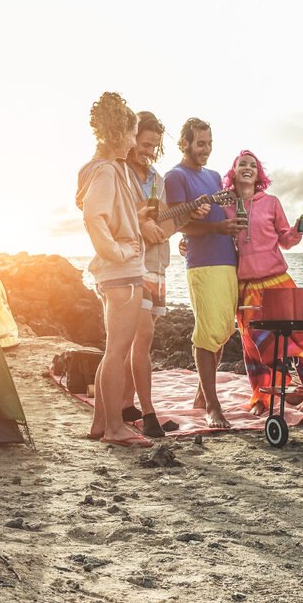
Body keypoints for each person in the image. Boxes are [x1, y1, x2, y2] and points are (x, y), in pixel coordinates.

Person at [120, 111, 209, 437]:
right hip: (131, 265)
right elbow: (117, 217)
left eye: (155, 146)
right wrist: (142, 226)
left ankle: (127, 405)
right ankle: (149, 414)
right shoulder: (121, 173)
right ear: (132, 140)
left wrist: (187, 215)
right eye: (145, 144)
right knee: (140, 338)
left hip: (158, 267)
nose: (149, 151)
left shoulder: (157, 178)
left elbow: (168, 225)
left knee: (142, 339)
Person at [223, 150, 303, 418]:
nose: (247, 167)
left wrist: (297, 230)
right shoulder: (224, 205)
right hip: (246, 288)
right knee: (257, 348)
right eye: (242, 164)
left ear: (259, 175)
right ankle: (263, 398)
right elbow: (213, 240)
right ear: (233, 172)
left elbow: (286, 240)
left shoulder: (271, 202)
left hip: (278, 282)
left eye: (253, 165)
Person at [75, 91, 151, 447]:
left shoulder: (99, 169)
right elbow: (94, 218)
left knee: (113, 349)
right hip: (120, 273)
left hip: (114, 272)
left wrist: (133, 224)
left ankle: (100, 422)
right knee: (118, 351)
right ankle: (115, 429)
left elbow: (108, 214)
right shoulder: (105, 170)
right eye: (133, 134)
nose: (135, 142)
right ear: (120, 133)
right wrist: (120, 252)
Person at [164, 118, 246, 429]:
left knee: (223, 330)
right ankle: (213, 406)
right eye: (200, 143)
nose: (206, 149)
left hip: (228, 260)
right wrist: (214, 228)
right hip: (203, 263)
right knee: (207, 332)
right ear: (184, 143)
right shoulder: (176, 177)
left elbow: (228, 211)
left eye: (209, 143)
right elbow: (179, 224)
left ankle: (202, 394)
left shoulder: (214, 177)